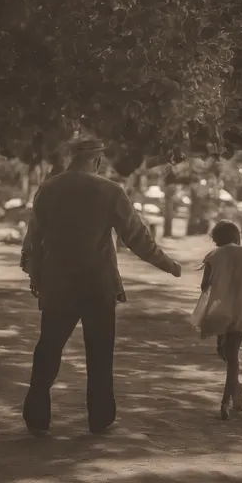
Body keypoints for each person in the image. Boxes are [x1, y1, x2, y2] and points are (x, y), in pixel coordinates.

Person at [20, 138, 182, 436]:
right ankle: (100, 418)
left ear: (72, 158)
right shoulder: (110, 191)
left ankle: (36, 416)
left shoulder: (48, 189)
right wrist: (167, 264)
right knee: (99, 352)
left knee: (48, 349)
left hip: (58, 283)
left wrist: (36, 277)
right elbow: (136, 236)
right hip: (98, 284)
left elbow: (34, 238)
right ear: (96, 161)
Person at [197, 220, 242, 421]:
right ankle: (235, 389)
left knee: (225, 352)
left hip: (220, 311)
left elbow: (204, 286)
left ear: (216, 239)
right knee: (232, 356)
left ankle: (225, 402)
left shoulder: (212, 256)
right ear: (237, 236)